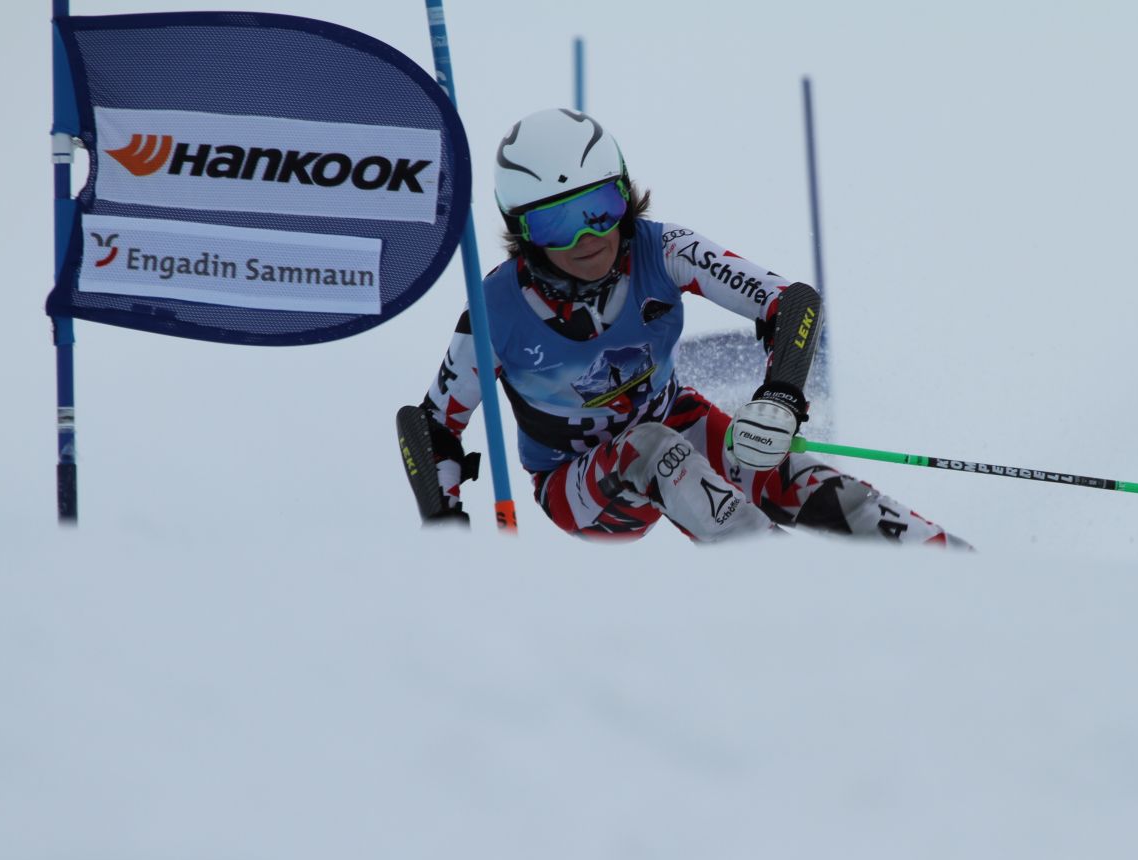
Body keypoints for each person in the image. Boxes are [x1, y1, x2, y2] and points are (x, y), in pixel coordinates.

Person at [398, 107, 968, 547]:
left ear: (625, 194)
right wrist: (449, 532)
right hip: (576, 484)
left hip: (677, 422)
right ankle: (781, 580)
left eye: (599, 207)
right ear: (521, 231)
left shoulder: (665, 249)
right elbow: (429, 427)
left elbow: (793, 303)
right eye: (556, 223)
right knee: (650, 446)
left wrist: (781, 396)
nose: (587, 238)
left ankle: (956, 569)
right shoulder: (495, 310)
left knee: (787, 471)